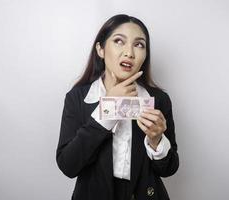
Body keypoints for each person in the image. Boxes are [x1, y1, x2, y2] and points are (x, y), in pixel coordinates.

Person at [56, 14, 179, 200]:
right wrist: (108, 109)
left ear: (145, 55)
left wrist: (156, 140)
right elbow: (68, 165)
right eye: (119, 41)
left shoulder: (159, 99)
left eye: (139, 44)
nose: (129, 52)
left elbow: (169, 169)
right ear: (101, 49)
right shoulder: (77, 98)